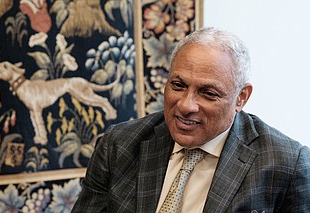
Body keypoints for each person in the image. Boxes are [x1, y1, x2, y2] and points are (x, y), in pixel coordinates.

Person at [71, 27, 310, 212]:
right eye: (178, 85)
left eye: (208, 93)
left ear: (241, 98)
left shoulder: (287, 164)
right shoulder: (119, 144)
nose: (186, 105)